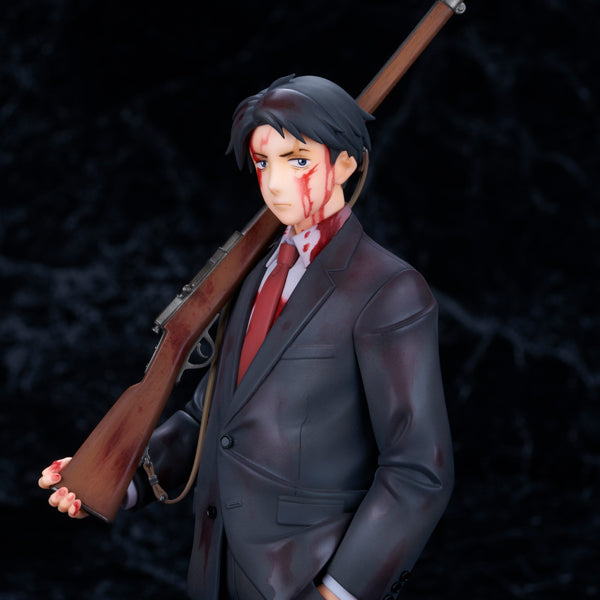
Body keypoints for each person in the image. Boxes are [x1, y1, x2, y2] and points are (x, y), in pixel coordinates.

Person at [40, 75, 454, 600]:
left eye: (297, 160)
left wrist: (338, 592)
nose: (275, 183)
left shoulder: (387, 288)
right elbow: (209, 417)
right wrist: (115, 475)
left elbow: (418, 469)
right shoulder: (251, 275)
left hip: (307, 574)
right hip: (213, 572)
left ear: (346, 165)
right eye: (263, 162)